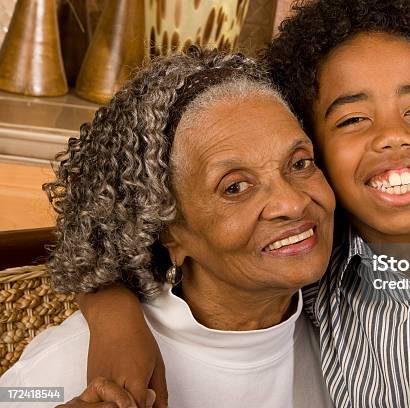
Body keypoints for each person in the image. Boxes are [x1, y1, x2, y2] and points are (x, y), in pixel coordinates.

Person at [52, 0, 410, 407]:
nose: (392, 136)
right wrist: (116, 321)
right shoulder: (317, 268)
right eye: (352, 120)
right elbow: (132, 242)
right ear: (317, 149)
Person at [0, 48, 336, 408]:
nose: (293, 203)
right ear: (168, 230)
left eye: (300, 163)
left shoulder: (352, 337)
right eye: (235, 187)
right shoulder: (63, 368)